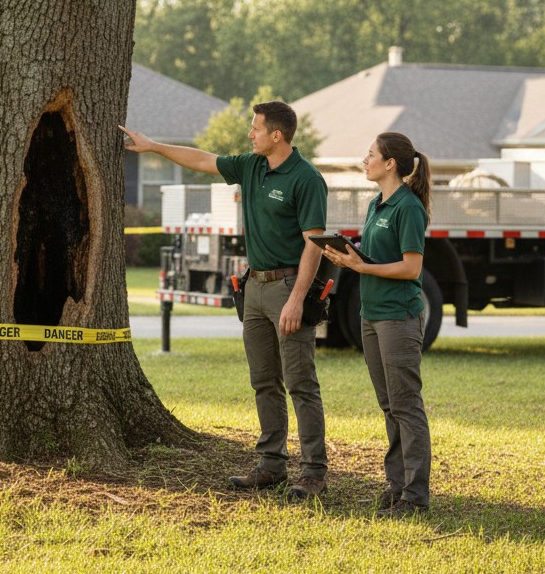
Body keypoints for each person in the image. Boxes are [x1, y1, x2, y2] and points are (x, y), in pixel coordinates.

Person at [121, 101, 329, 499]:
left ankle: (314, 473)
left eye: (255, 128)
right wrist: (153, 147)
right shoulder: (251, 166)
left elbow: (314, 245)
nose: (250, 134)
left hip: (288, 288)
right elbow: (202, 159)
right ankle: (271, 465)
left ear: (276, 135)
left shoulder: (306, 179)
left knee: (301, 383)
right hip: (254, 288)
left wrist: (297, 298)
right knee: (263, 381)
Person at [318, 132, 432, 517]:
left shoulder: (408, 207)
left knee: (406, 405)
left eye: (370, 155)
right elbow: (378, 256)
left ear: (390, 164)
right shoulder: (375, 205)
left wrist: (361, 266)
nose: (363, 160)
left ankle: (415, 498)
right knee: (388, 405)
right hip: (371, 314)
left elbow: (411, 267)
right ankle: (397, 487)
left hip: (398, 316)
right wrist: (351, 255)